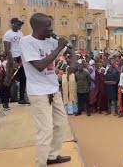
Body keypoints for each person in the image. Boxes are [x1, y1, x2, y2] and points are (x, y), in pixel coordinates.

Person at [19, 13, 76, 167]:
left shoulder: (51, 41)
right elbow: (39, 66)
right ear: (36, 27)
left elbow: (71, 51)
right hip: (38, 92)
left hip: (53, 90)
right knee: (44, 130)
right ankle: (40, 164)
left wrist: (73, 62)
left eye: (51, 25)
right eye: (47, 26)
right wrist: (58, 47)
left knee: (61, 123)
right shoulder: (26, 42)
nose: (50, 29)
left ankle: (52, 155)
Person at [3, 17, 28, 104]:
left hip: (21, 58)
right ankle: (5, 101)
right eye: (19, 24)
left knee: (23, 78)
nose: (20, 26)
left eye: (21, 24)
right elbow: (7, 49)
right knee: (9, 80)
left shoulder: (21, 33)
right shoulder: (8, 34)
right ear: (13, 24)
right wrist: (12, 62)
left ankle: (21, 99)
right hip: (12, 59)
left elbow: (23, 45)